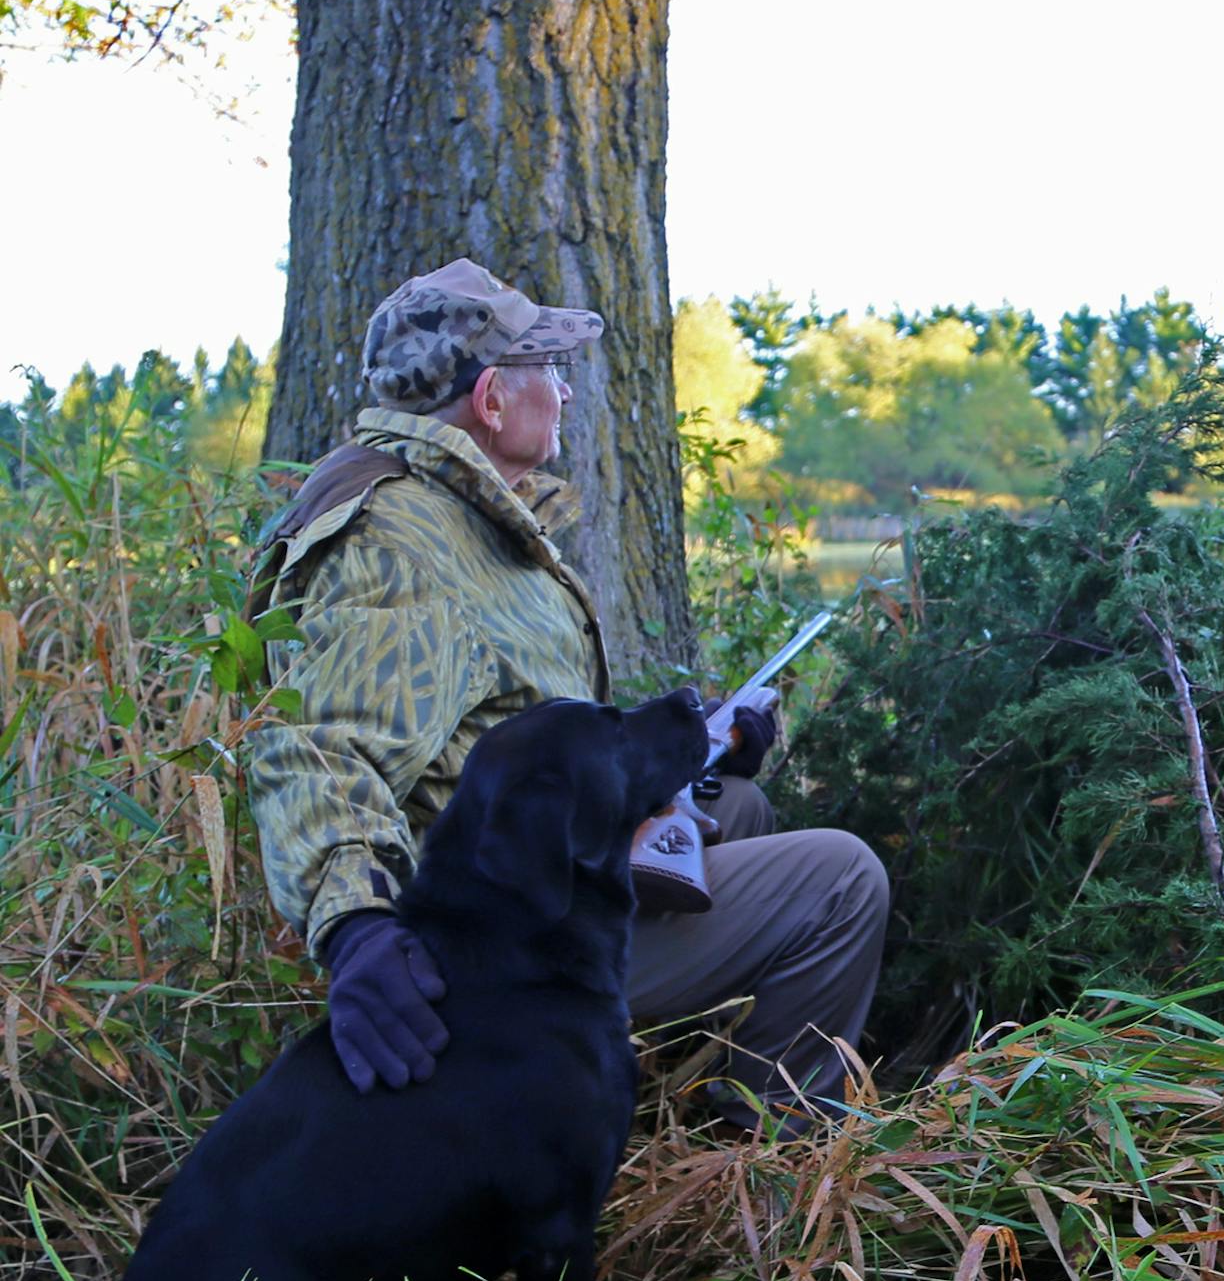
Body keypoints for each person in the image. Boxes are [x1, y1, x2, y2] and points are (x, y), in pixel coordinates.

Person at [246, 258, 887, 1135]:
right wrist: (357, 930)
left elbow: (510, 733)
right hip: (499, 942)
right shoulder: (401, 541)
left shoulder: (460, 510)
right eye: (548, 368)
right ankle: (777, 1175)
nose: (567, 393)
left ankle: (647, 1105)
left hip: (533, 870)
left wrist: (696, 747)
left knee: (734, 803)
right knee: (844, 879)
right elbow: (320, 746)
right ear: (491, 402)